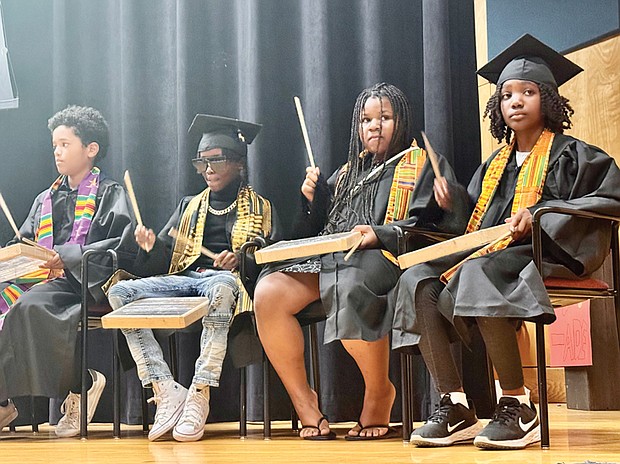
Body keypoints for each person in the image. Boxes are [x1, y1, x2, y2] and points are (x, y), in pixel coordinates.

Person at [392, 34, 620, 450]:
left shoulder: (574, 154)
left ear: (548, 100)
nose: (515, 100)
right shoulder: (493, 165)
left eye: (528, 92)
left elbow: (611, 198)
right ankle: (455, 405)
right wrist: (452, 201)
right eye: (507, 95)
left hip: (548, 253)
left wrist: (538, 216)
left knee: (480, 271)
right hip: (497, 254)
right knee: (418, 282)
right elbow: (475, 224)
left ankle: (518, 403)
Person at [253, 82, 458, 440]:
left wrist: (383, 233)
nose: (374, 126)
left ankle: (379, 392)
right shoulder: (349, 173)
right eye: (366, 119)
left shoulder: (423, 164)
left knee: (350, 285)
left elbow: (437, 230)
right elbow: (312, 231)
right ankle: (305, 404)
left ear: (402, 121)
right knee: (269, 291)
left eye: (385, 117)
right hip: (333, 261)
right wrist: (311, 199)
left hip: (390, 261)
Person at [107, 114, 277, 442]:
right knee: (120, 294)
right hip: (184, 280)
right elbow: (164, 259)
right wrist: (151, 245)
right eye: (202, 163)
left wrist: (242, 259)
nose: (208, 170)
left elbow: (271, 254)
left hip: (225, 284)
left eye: (217, 161)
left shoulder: (260, 207)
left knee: (223, 285)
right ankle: (165, 387)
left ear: (239, 164)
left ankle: (200, 391)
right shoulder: (188, 205)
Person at [0, 105, 136, 437]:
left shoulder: (110, 193)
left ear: (91, 149)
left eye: (65, 144)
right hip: (42, 280)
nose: (58, 153)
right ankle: (4, 404)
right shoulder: (45, 198)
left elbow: (118, 246)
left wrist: (65, 257)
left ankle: (82, 383)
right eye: (55, 146)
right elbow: (26, 241)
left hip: (84, 281)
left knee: (30, 307)